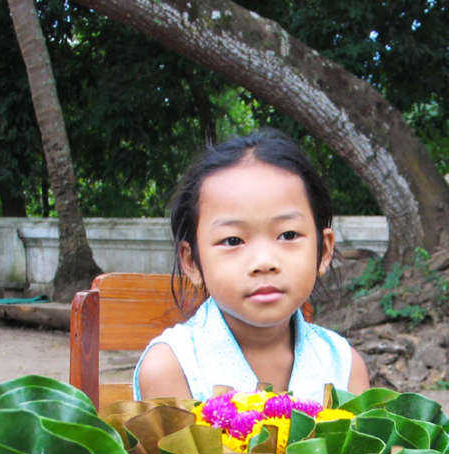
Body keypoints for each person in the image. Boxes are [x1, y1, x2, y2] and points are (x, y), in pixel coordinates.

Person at [134, 129, 370, 402]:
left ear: (324, 250)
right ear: (191, 262)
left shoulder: (343, 365)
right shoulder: (172, 367)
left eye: (288, 235)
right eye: (233, 240)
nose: (264, 262)